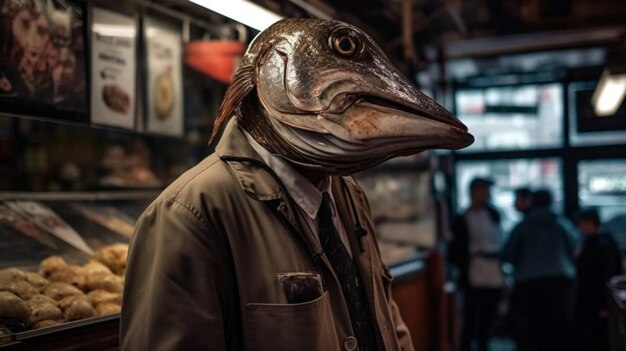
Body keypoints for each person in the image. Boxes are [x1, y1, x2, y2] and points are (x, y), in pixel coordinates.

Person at [121, 18, 474, 351]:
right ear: (268, 68)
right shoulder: (189, 214)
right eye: (345, 47)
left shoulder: (346, 194)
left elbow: (383, 316)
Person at [502, 189, 578, 351]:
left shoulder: (523, 226)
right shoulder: (561, 224)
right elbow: (576, 249)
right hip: (560, 280)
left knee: (531, 331)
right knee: (558, 329)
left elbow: (508, 255)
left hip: (528, 283)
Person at [450, 177, 504, 351]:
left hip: (493, 270)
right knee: (471, 317)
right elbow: (457, 249)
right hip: (473, 270)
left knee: (488, 316)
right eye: (483, 190)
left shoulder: (494, 214)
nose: (486, 194)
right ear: (474, 192)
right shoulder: (462, 218)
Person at [575, 209, 622, 351]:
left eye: (582, 223)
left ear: (590, 223)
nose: (580, 228)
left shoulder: (600, 244)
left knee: (599, 336)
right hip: (594, 298)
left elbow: (606, 275)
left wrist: (605, 304)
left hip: (597, 299)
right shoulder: (598, 242)